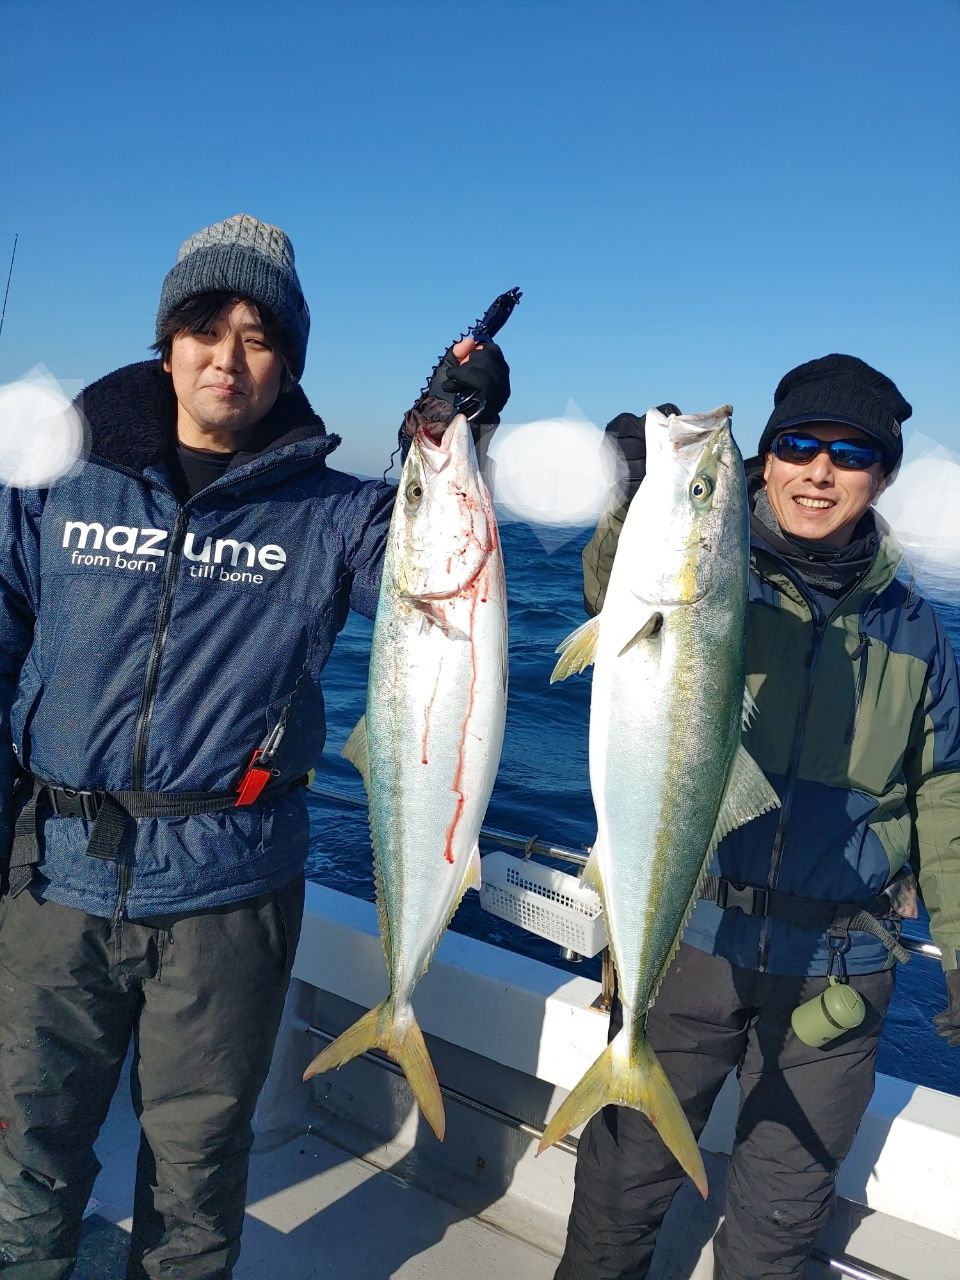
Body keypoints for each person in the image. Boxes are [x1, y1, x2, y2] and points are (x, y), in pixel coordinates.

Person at [0, 213, 510, 1279]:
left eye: (259, 335)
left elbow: (442, 594)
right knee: (21, 1163)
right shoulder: (57, 476)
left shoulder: (337, 515)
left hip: (228, 895)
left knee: (193, 1182)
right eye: (203, 325)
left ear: (290, 361)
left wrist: (453, 436)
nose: (227, 356)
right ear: (166, 339)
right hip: (50, 880)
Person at [557, 356, 960, 1280]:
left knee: (778, 1228)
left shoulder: (916, 629)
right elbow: (610, 594)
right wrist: (639, 505)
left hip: (838, 972)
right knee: (618, 1199)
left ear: (882, 476)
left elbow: (947, 795)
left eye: (850, 454)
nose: (820, 470)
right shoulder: (713, 575)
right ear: (765, 466)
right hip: (693, 936)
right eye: (799, 446)